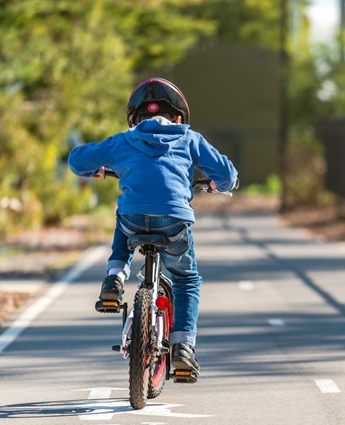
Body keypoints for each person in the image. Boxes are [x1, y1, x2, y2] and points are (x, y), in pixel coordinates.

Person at [68, 77, 239, 383]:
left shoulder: (124, 140)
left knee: (125, 213)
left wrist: (95, 169)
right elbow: (227, 174)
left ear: (136, 120)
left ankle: (114, 278)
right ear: (177, 118)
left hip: (133, 220)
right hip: (174, 222)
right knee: (186, 279)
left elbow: (76, 159)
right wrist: (217, 184)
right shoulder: (189, 138)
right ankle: (183, 349)